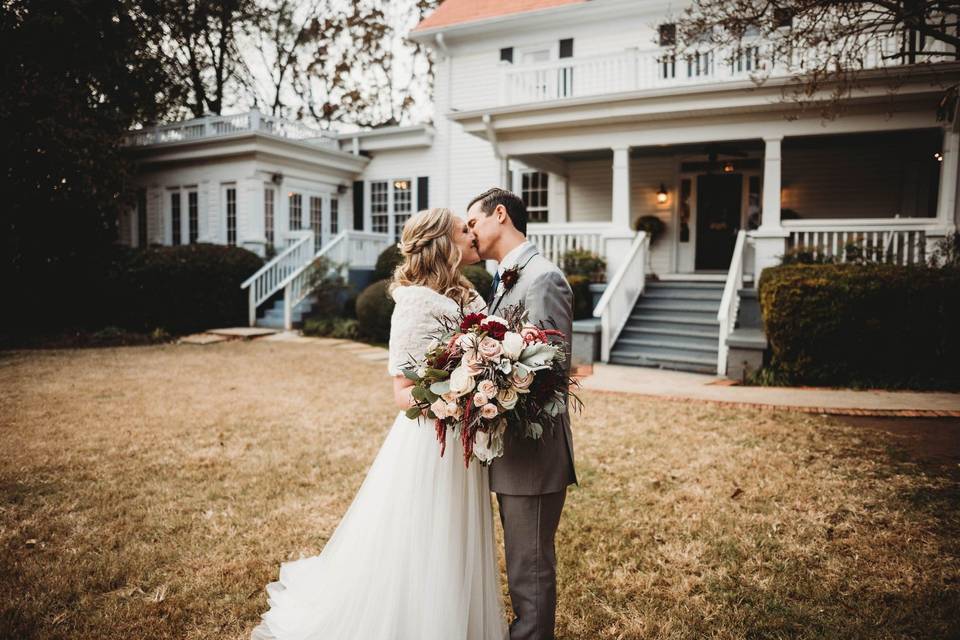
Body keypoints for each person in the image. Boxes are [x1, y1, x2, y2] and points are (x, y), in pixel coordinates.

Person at [249, 207, 508, 640]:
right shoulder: (415, 304)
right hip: (431, 441)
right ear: (443, 243)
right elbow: (403, 391)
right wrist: (460, 394)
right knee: (425, 539)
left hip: (465, 435)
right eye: (464, 229)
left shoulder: (469, 296)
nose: (473, 234)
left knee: (457, 539)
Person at [466, 188, 578, 640]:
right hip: (506, 449)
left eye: (472, 223)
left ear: (500, 214)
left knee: (529, 570)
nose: (469, 234)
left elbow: (552, 371)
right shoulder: (504, 278)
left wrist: (486, 388)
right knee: (519, 564)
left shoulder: (543, 278)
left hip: (532, 453)